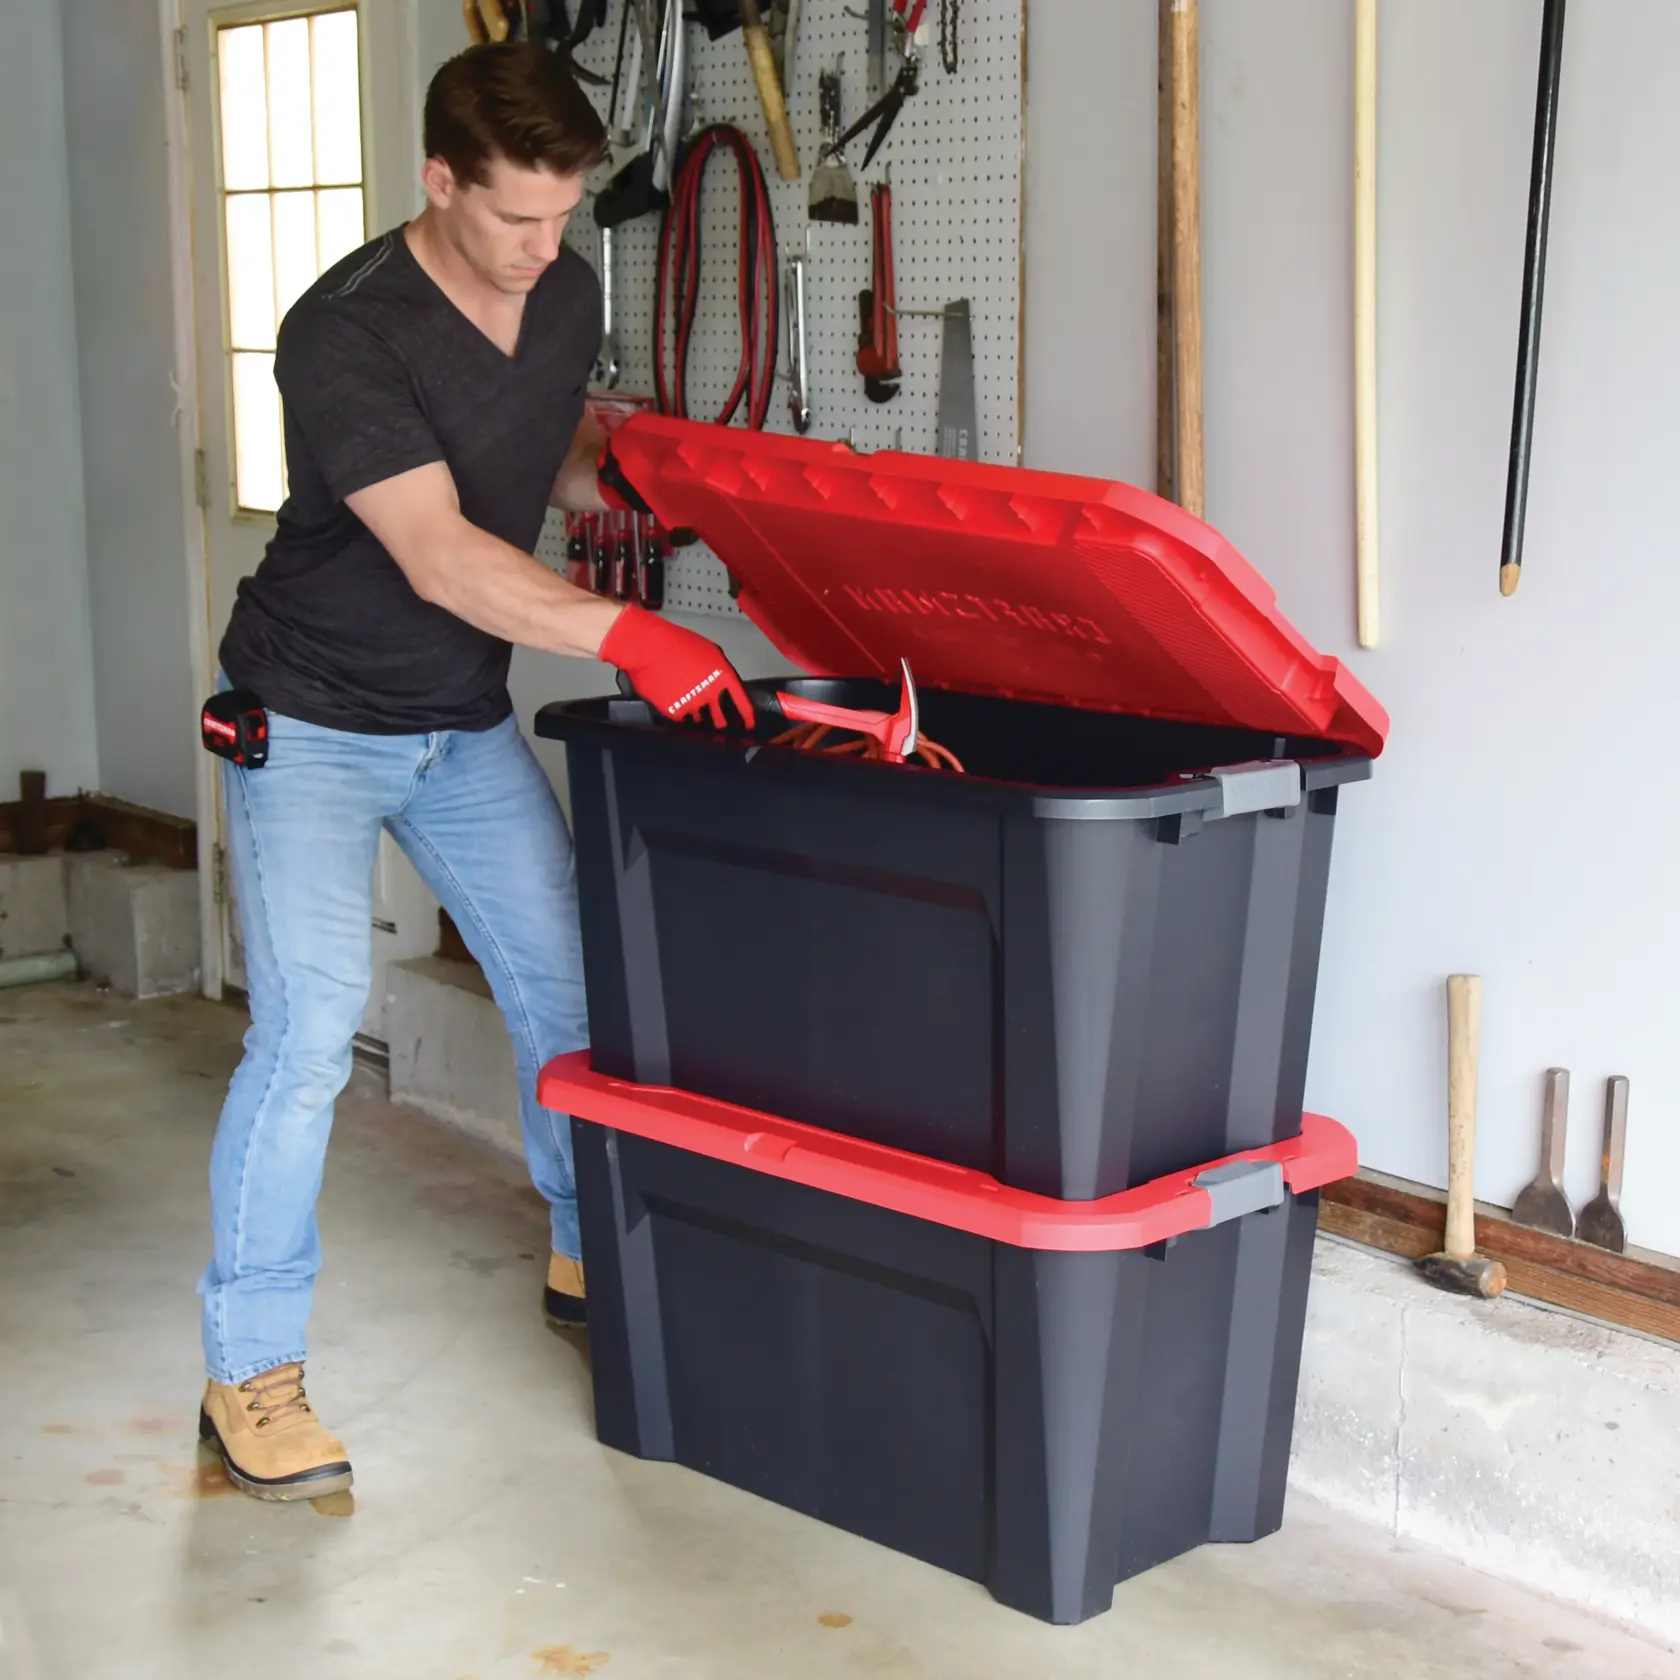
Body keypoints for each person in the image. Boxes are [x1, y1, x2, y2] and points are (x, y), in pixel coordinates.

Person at [196, 41, 754, 1504]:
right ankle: (249, 1371)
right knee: (311, 1033)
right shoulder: (344, 333)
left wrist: (642, 472)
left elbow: (537, 452)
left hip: (456, 721)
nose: (540, 250)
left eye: (559, 215)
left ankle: (585, 1255)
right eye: (512, 217)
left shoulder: (562, 288)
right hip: (309, 718)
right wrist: (631, 636)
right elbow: (442, 553)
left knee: (571, 994)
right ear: (437, 181)